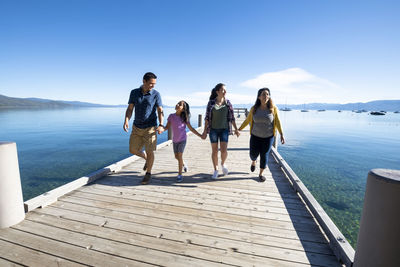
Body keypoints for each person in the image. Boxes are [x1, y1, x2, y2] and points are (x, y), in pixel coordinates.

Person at [123, 72, 165, 185]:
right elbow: (130, 108)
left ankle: (148, 173)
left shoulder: (156, 94)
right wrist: (126, 119)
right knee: (132, 149)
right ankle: (146, 158)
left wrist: (161, 124)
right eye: (151, 83)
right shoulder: (134, 92)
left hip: (150, 127)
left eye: (154, 84)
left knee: (150, 150)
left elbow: (160, 110)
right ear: (144, 81)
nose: (153, 86)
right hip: (136, 127)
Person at [238, 88, 285, 182]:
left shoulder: (273, 109)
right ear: (259, 97)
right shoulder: (254, 109)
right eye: (263, 94)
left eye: (267, 94)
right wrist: (239, 129)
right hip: (255, 136)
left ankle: (260, 174)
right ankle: (253, 161)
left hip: (268, 137)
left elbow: (278, 122)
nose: (266, 96)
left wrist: (281, 134)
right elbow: (247, 120)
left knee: (264, 155)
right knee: (253, 154)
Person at [202, 83, 240, 179]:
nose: (225, 91)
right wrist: (204, 131)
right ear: (217, 91)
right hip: (213, 130)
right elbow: (207, 118)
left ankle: (223, 164)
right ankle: (215, 169)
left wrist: (236, 129)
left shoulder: (228, 103)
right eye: (223, 90)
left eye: (225, 90)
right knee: (214, 151)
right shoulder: (211, 103)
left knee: (224, 151)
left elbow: (232, 118)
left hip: (224, 130)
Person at [164, 100, 204, 182]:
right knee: (176, 157)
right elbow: (167, 127)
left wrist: (200, 135)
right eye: (177, 103)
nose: (177, 104)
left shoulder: (184, 118)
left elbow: (191, 129)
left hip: (182, 140)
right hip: (175, 140)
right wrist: (161, 128)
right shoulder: (171, 116)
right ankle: (184, 164)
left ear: (183, 109)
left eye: (180, 104)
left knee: (179, 156)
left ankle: (180, 174)